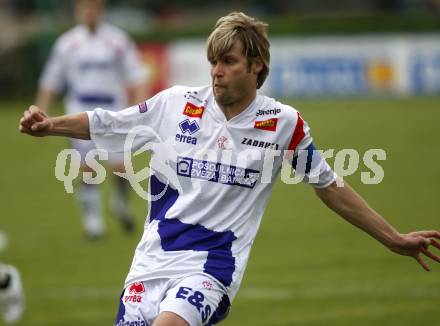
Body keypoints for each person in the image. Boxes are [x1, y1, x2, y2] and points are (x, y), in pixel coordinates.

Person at [20, 11, 440, 326]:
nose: (217, 72)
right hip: (150, 263)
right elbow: (108, 123)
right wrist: (50, 125)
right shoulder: (176, 103)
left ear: (256, 66)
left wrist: (393, 238)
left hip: (211, 268)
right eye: (213, 62)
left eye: (229, 62)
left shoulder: (283, 124)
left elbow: (329, 185)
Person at [36, 0, 149, 239]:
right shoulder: (67, 44)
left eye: (94, 8)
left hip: (113, 109)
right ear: (77, 12)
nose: (89, 13)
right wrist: (41, 111)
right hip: (80, 108)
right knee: (87, 166)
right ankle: (93, 222)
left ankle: (120, 203)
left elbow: (137, 75)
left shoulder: (118, 41)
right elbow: (50, 80)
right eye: (85, 8)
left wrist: (140, 109)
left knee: (120, 167)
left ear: (101, 11)